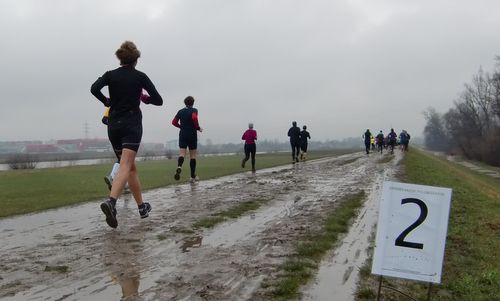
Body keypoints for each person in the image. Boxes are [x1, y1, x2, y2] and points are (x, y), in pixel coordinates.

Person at [91, 41, 163, 228]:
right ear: (135, 60)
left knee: (130, 167)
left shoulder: (110, 75)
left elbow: (93, 88)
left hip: (113, 125)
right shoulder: (140, 77)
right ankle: (111, 202)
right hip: (131, 124)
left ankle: (142, 207)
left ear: (120, 58)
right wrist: (143, 98)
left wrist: (106, 101)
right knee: (125, 165)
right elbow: (159, 100)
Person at [172, 96, 202, 182]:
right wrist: (198, 127)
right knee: (193, 156)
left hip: (183, 134)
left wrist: (181, 126)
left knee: (182, 153)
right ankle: (192, 177)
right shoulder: (194, 110)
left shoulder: (180, 111)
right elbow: (194, 118)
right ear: (193, 103)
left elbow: (173, 122)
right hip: (192, 134)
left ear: (185, 102)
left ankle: (179, 166)